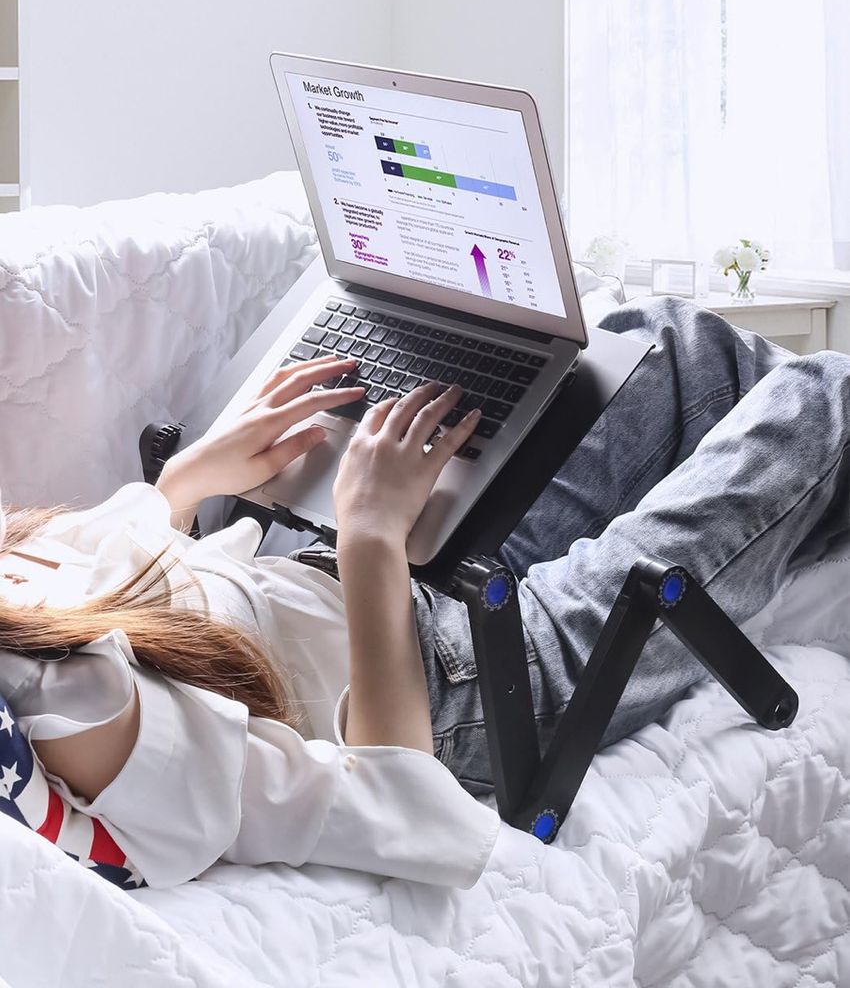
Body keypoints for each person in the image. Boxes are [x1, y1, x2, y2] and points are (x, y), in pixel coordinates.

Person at [0, 297, 848, 891]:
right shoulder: (84, 717)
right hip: (465, 686)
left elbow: (101, 587)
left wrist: (192, 477)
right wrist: (370, 536)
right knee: (820, 396)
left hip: (371, 579)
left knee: (665, 349)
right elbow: (406, 813)